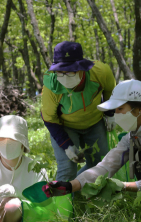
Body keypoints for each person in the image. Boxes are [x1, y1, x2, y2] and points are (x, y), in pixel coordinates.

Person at [43, 80, 141, 197]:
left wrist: (122, 186)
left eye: (120, 109)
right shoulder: (133, 137)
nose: (116, 115)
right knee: (139, 157)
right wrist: (70, 186)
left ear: (139, 109)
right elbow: (104, 167)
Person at [42, 41, 116, 182]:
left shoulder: (100, 72)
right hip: (66, 126)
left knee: (100, 165)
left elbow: (110, 91)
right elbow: (49, 118)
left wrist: (110, 114)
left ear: (82, 68)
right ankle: (62, 203)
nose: (64, 76)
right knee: (67, 168)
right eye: (60, 72)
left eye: (70, 71)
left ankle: (78, 189)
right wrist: (66, 145)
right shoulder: (52, 86)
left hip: (95, 122)